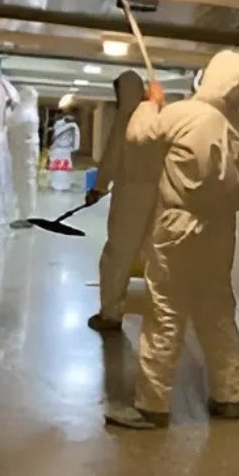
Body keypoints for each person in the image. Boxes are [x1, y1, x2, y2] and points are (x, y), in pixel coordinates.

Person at [105, 49, 239, 430]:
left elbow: (137, 135)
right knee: (217, 311)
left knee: (165, 311)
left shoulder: (184, 113)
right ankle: (230, 396)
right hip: (221, 230)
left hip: (177, 226)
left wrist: (151, 103)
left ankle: (152, 405)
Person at [86, 70, 154, 331]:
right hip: (161, 195)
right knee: (157, 256)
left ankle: (110, 314)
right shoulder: (158, 119)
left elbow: (112, 159)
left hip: (131, 195)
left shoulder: (126, 121)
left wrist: (98, 187)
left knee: (118, 254)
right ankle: (165, 314)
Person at [5, 85, 40, 223]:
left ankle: (26, 216)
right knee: (26, 185)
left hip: (23, 157)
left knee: (24, 186)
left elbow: (10, 123)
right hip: (26, 156)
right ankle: (25, 214)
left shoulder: (25, 113)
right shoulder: (30, 113)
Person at [49, 96, 81, 192]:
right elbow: (56, 133)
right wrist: (69, 126)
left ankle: (65, 184)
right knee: (58, 170)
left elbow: (76, 136)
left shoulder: (74, 126)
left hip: (66, 150)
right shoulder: (59, 123)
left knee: (65, 170)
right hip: (57, 149)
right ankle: (56, 184)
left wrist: (74, 147)